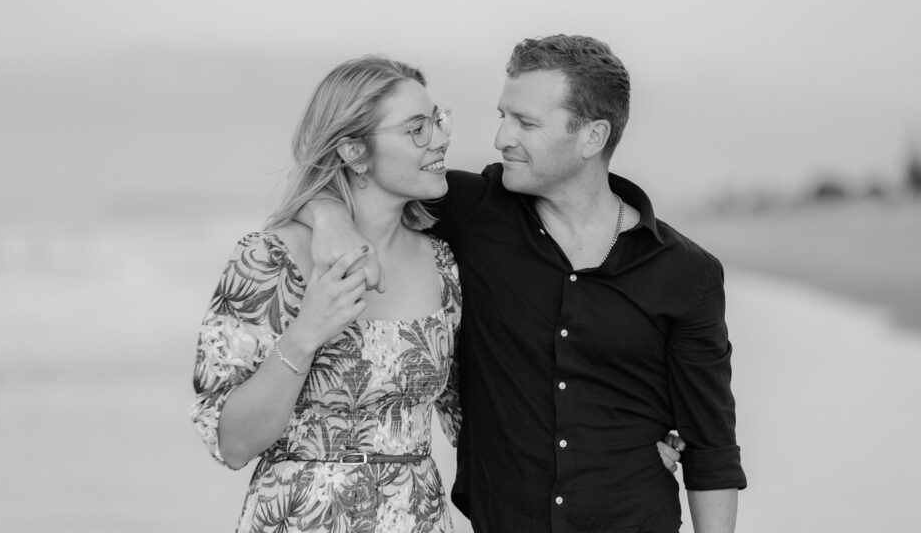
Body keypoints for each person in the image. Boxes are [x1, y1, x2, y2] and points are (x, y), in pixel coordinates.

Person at [304, 35, 746, 532]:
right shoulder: (473, 211)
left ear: (592, 137)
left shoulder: (687, 273)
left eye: (526, 123)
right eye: (503, 115)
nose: (501, 138)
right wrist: (327, 217)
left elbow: (711, 448)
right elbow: (354, 173)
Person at [190, 56, 465, 532]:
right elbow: (231, 443)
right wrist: (306, 333)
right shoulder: (269, 261)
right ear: (355, 152)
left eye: (437, 120)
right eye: (415, 128)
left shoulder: (444, 263)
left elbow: (471, 416)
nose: (440, 138)